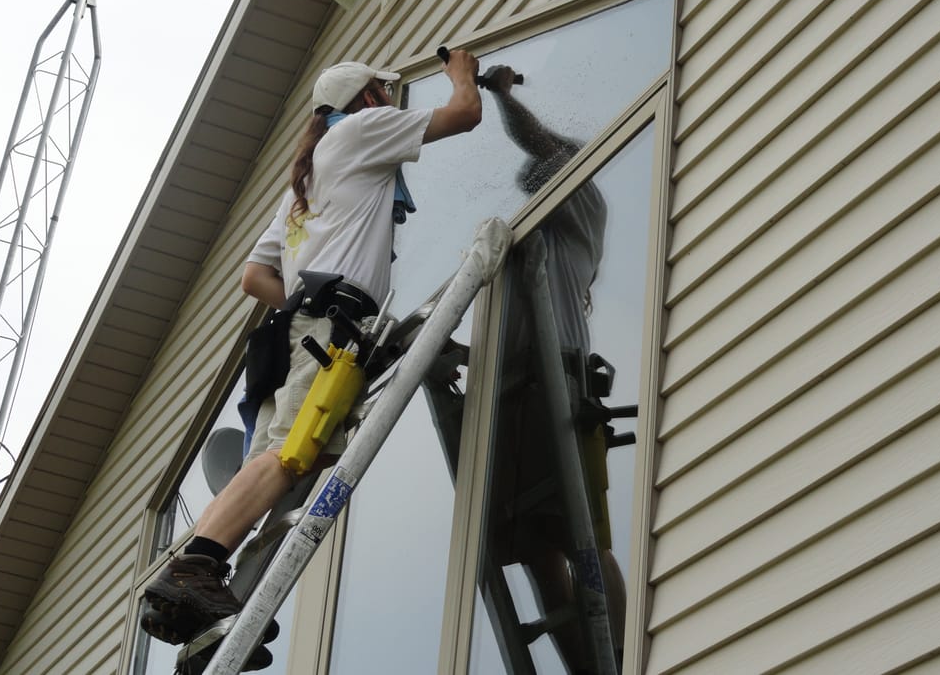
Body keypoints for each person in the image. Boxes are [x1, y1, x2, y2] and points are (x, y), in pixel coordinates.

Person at [140, 51, 481, 651]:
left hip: (296, 329)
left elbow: (254, 277)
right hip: (327, 330)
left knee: (280, 458)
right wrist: (465, 73)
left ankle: (203, 592)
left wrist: (306, 300)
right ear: (370, 99)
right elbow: (463, 115)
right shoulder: (363, 128)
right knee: (291, 457)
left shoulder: (304, 176)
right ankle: (194, 567)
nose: (389, 102)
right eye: (383, 92)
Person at [483, 65, 624, 673]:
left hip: (557, 377)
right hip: (515, 385)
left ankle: (617, 659)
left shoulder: (582, 204)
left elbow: (537, 144)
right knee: (534, 551)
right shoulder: (531, 234)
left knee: (582, 538)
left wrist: (500, 95)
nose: (534, 185)